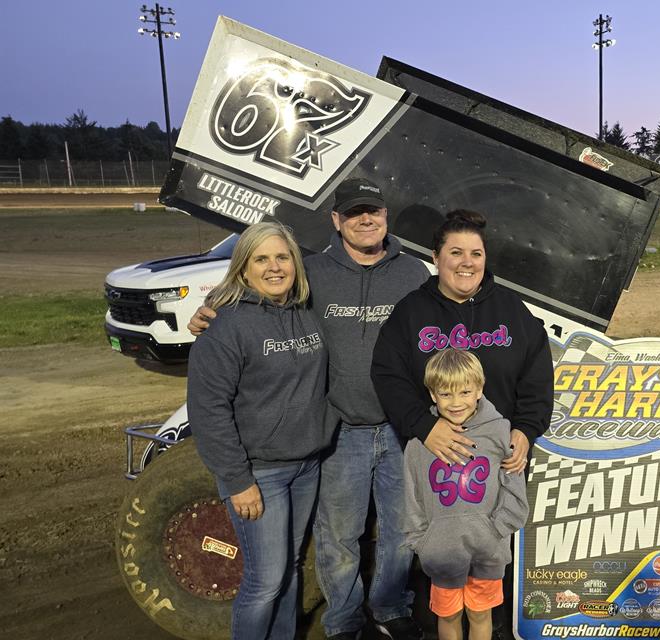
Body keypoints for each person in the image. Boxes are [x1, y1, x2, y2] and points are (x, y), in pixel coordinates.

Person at [190, 177, 429, 640]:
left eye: (373, 211)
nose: (365, 219)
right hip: (340, 432)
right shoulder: (313, 273)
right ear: (336, 221)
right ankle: (342, 621)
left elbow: (441, 324)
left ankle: (390, 608)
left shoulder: (413, 274)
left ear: (385, 218)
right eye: (354, 212)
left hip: (399, 429)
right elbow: (248, 309)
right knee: (336, 538)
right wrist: (210, 311)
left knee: (401, 531)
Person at [370, 209, 553, 639]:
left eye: (476, 253)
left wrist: (525, 429)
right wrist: (423, 425)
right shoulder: (412, 312)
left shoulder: (510, 309)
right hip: (438, 460)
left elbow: (537, 374)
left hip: (495, 461)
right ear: (437, 257)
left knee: (487, 578)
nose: (467, 262)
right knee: (446, 584)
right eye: (456, 252)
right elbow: (387, 375)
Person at [187, 222, 330, 640]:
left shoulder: (306, 310)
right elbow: (208, 409)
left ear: (295, 264)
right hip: (259, 473)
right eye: (261, 259)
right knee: (264, 581)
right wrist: (236, 480)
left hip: (306, 465)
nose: (274, 267)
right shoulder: (225, 325)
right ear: (243, 268)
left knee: (288, 569)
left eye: (282, 257)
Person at [402, 349, 529, 640]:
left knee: (481, 615)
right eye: (446, 394)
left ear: (479, 390)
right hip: (442, 552)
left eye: (465, 392)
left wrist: (495, 531)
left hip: (488, 549)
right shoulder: (419, 443)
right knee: (448, 616)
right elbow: (412, 496)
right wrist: (422, 540)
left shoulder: (499, 432)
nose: (456, 402)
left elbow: (514, 489)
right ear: (433, 394)